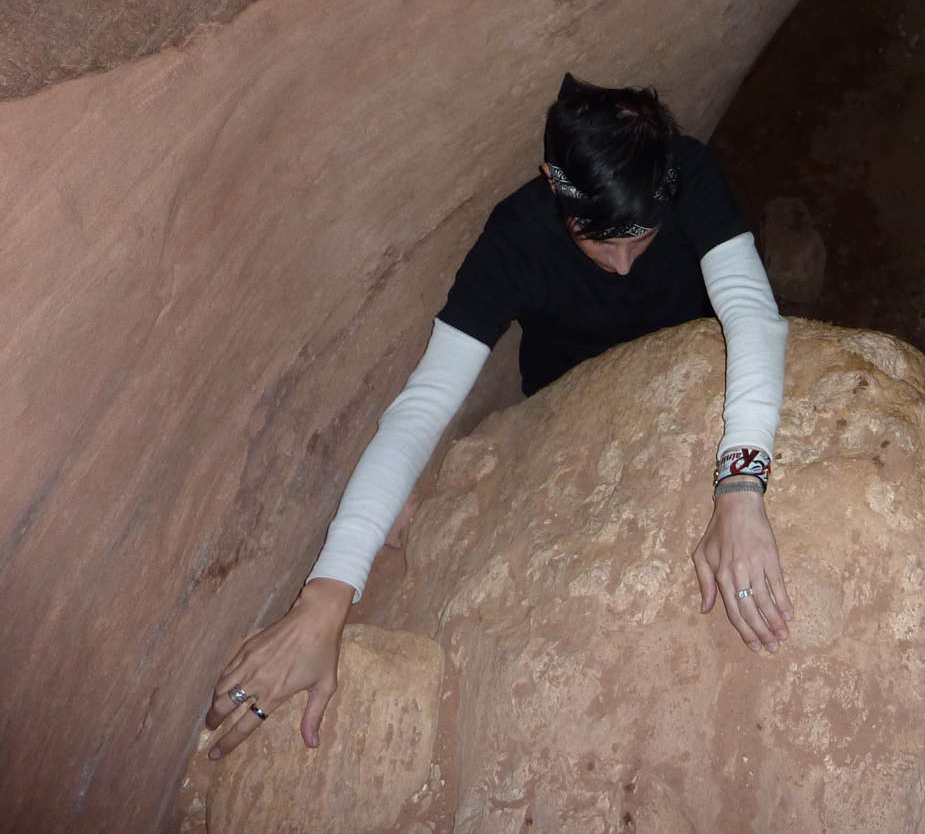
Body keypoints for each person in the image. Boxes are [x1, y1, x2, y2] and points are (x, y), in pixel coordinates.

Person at [202, 74, 792, 760]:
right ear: (554, 186)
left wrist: (740, 486)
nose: (623, 265)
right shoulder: (516, 237)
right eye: (600, 242)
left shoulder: (687, 170)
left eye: (641, 239)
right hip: (568, 404)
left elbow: (751, 315)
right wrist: (327, 594)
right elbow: (423, 406)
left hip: (684, 365)